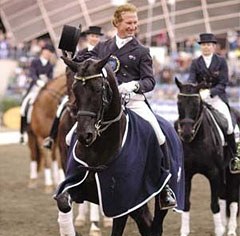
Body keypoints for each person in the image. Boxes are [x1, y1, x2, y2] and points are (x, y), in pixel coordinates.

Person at [66, 4, 176, 209]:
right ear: (117, 23)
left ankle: (165, 188)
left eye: (135, 22)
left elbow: (149, 81)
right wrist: (71, 50)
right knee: (70, 136)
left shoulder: (142, 51)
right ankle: (72, 180)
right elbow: (80, 60)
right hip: (106, 104)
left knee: (159, 134)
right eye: (129, 22)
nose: (133, 26)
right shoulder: (103, 47)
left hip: (133, 101)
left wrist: (134, 85)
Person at [43, 26, 104, 149]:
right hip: (82, 91)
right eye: (92, 36)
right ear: (88, 37)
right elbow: (72, 68)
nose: (95, 38)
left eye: (97, 36)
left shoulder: (103, 53)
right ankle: (51, 137)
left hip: (97, 91)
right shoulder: (82, 53)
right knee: (61, 108)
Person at [188, 33, 240, 174]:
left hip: (217, 98)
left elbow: (223, 83)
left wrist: (210, 92)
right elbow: (191, 80)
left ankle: (235, 158)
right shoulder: (195, 62)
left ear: (213, 46)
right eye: (204, 45)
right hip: (199, 98)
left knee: (229, 126)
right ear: (201, 46)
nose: (206, 47)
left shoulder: (221, 62)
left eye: (209, 45)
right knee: (186, 121)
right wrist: (196, 91)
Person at [19, 44, 55, 143]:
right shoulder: (35, 62)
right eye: (47, 51)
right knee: (24, 106)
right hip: (34, 87)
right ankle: (22, 132)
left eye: (50, 52)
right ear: (43, 51)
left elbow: (51, 77)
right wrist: (38, 81)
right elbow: (32, 73)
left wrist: (47, 83)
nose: (48, 54)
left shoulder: (50, 65)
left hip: (45, 89)